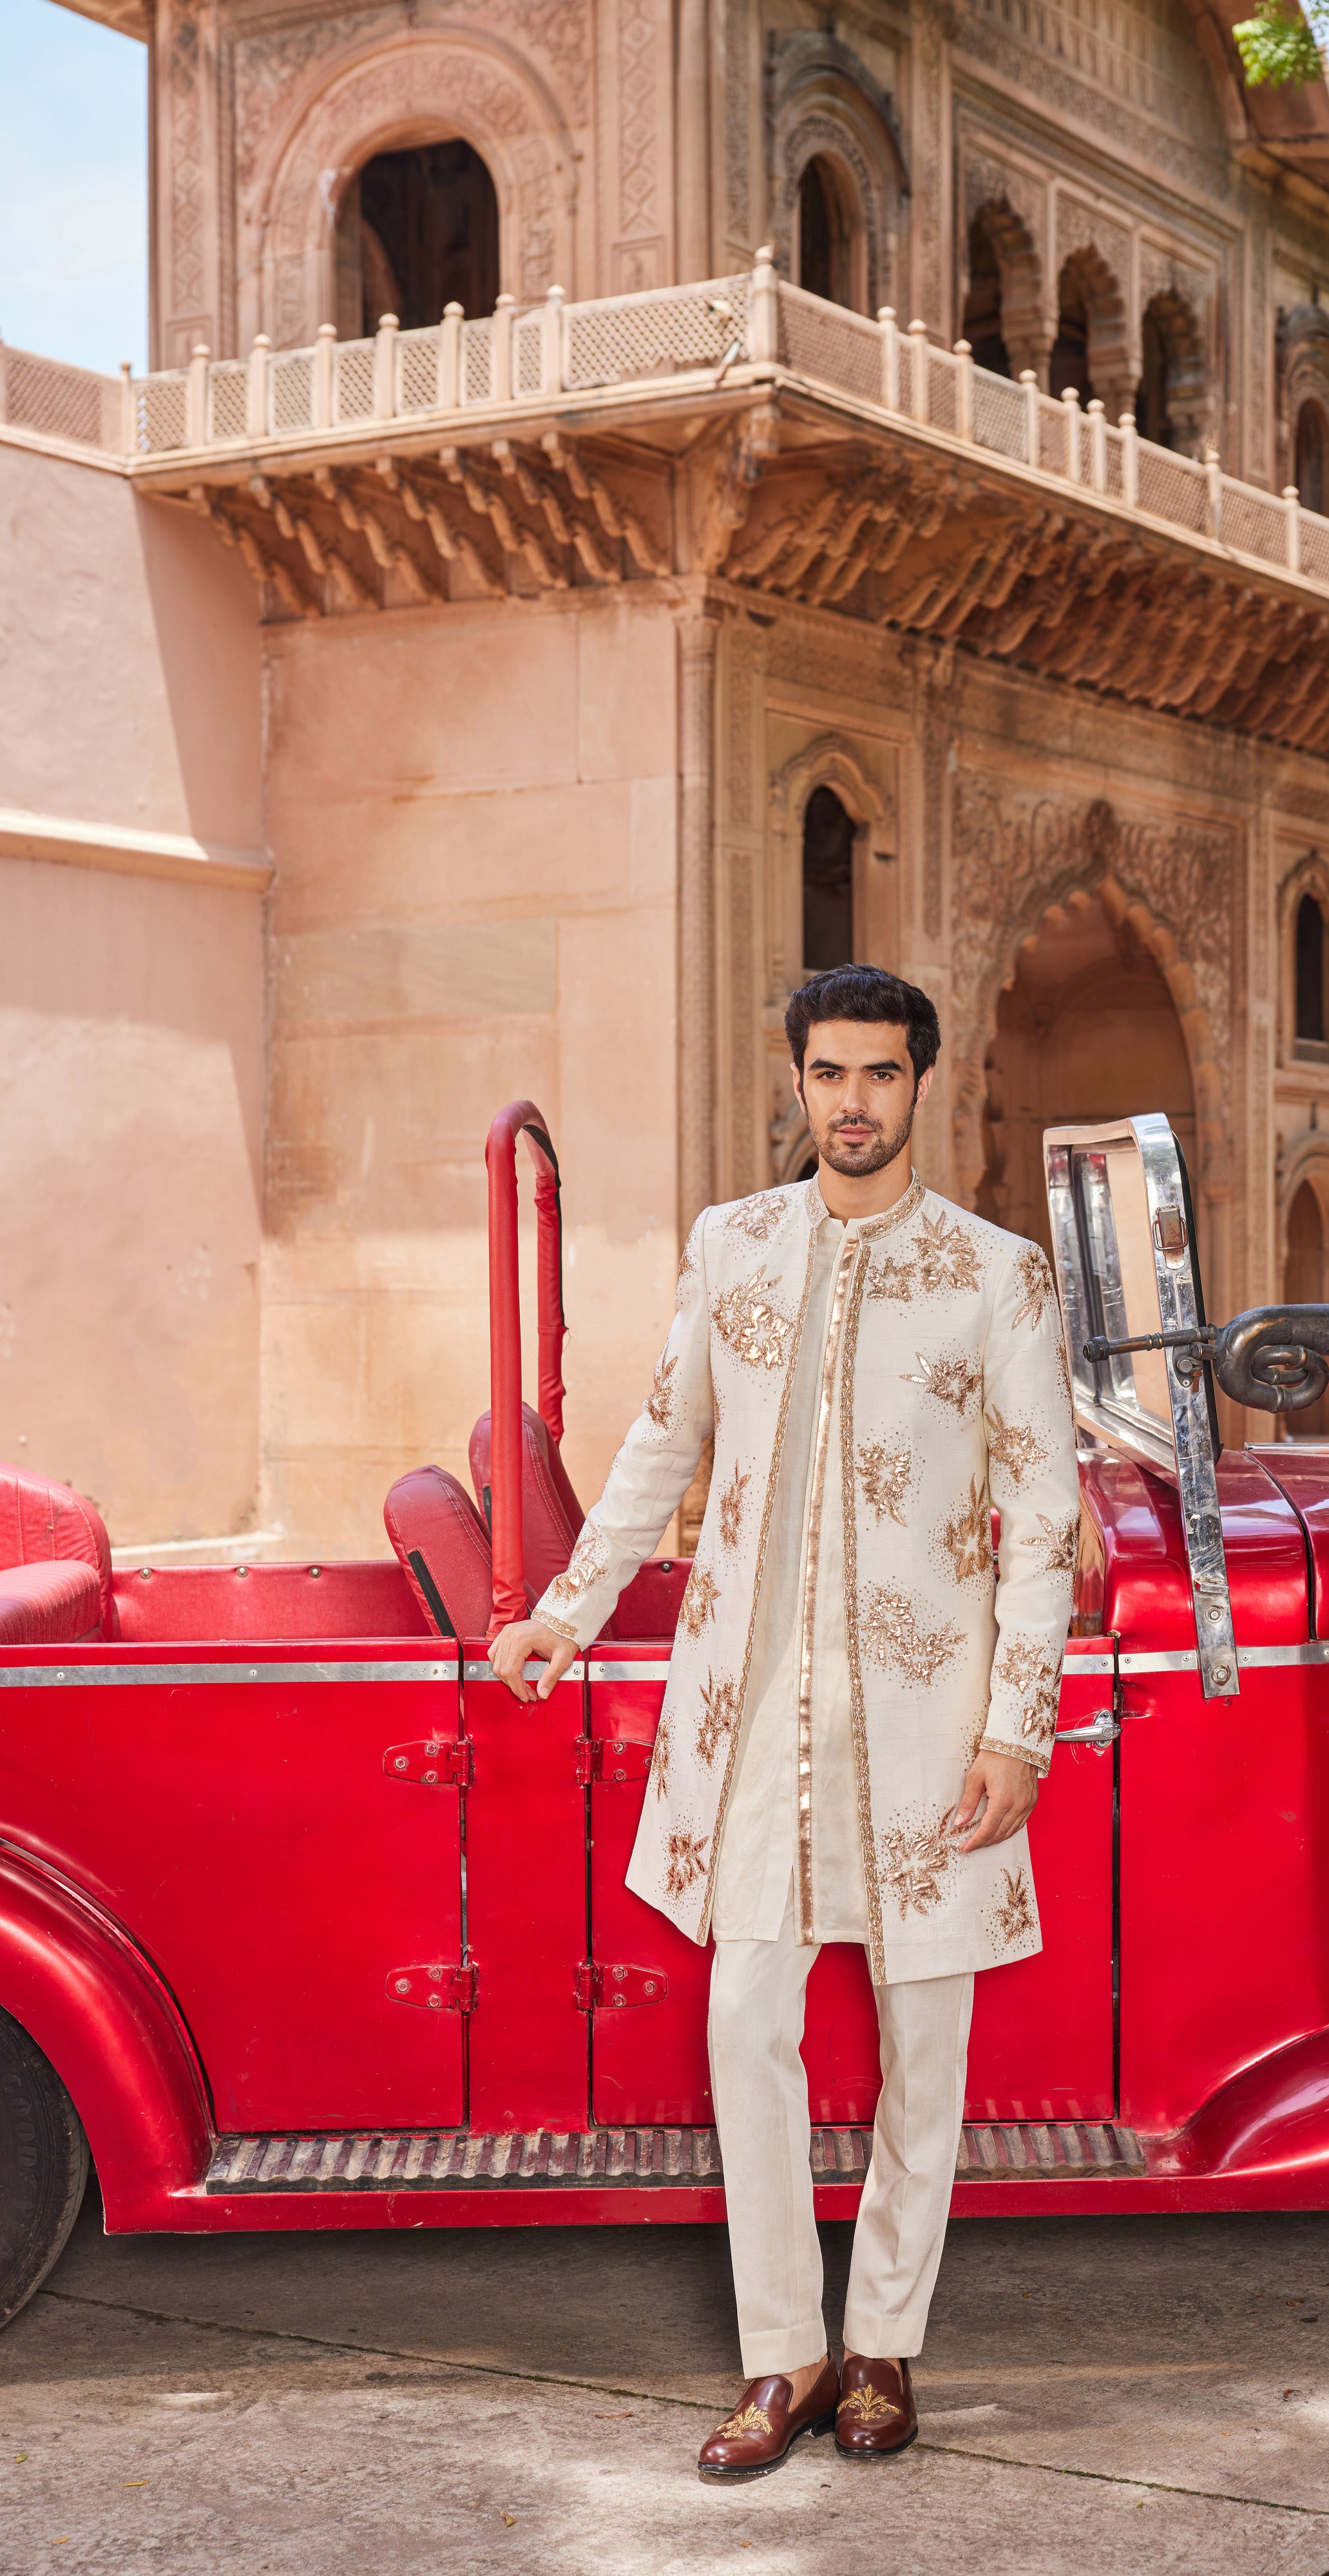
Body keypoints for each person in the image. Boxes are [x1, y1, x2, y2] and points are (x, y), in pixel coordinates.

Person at [490, 963, 1078, 2479]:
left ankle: (882, 2342)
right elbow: (661, 1442)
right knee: (745, 2021)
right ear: (801, 1082)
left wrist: (1018, 1728)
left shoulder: (997, 1274)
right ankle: (785, 2354)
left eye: (881, 1073)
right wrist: (568, 1607)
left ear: (921, 1082)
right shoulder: (733, 1243)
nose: (854, 1102)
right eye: (831, 1073)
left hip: (931, 1718)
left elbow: (1041, 1516)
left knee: (923, 2046)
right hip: (756, 1712)